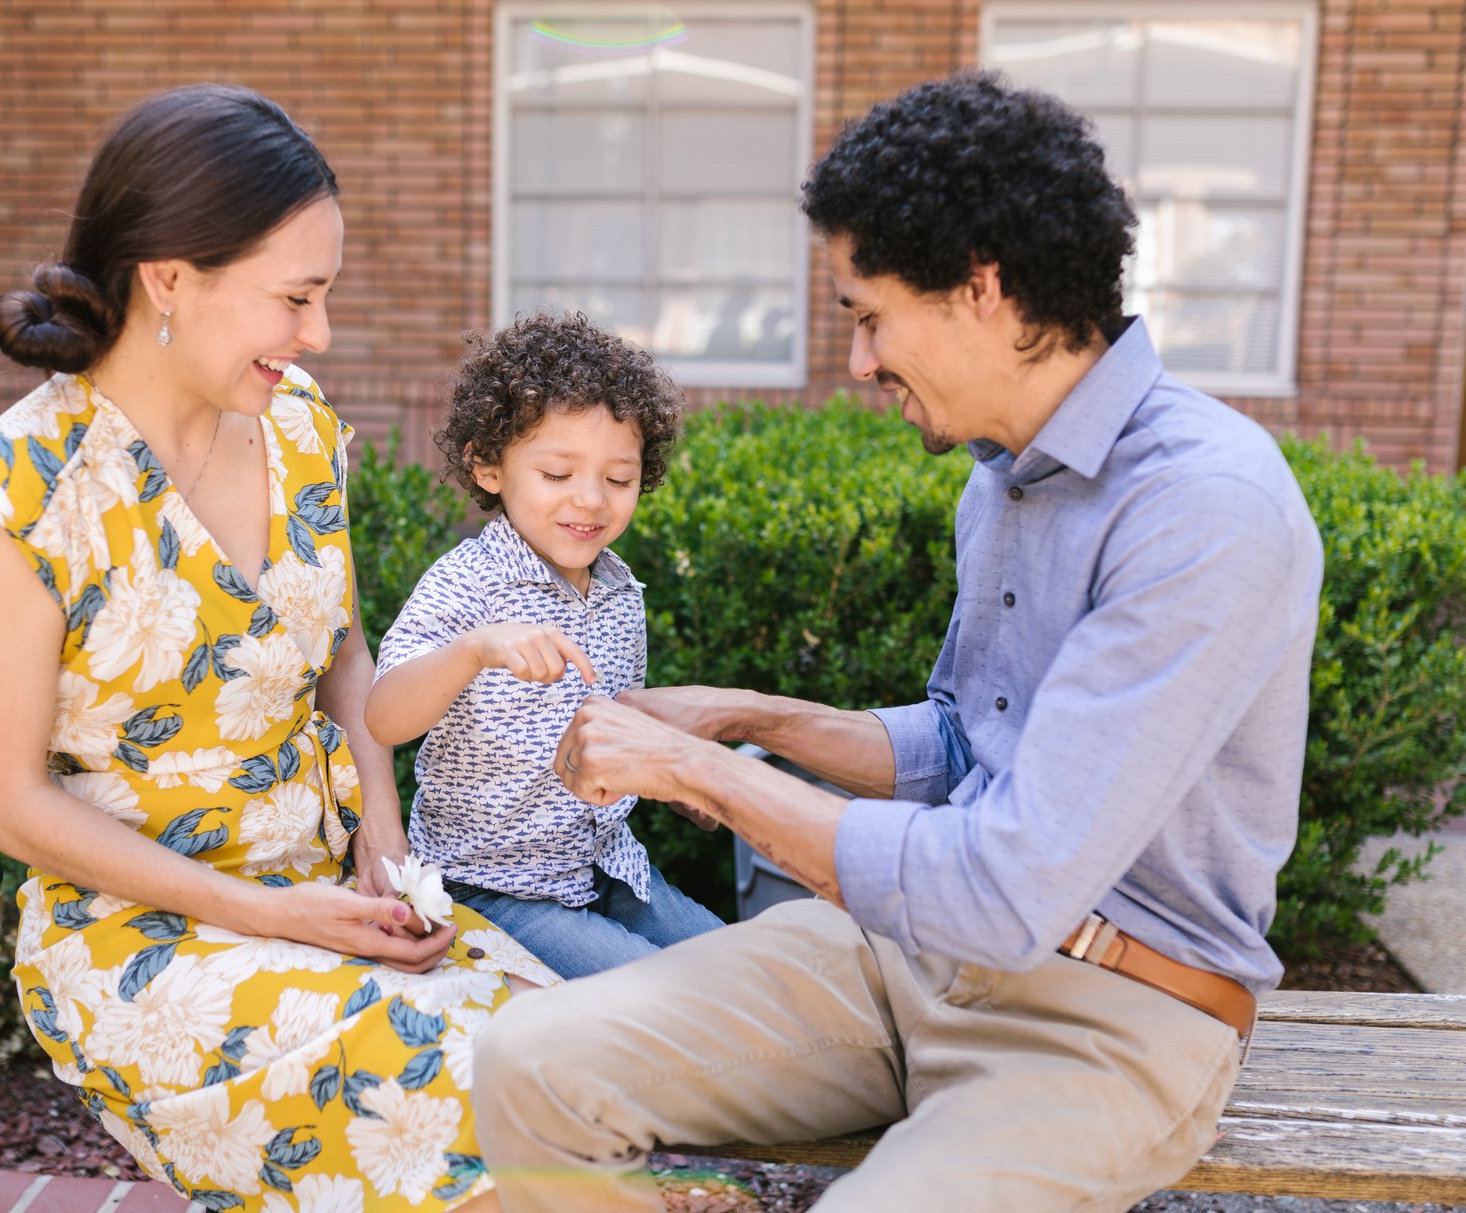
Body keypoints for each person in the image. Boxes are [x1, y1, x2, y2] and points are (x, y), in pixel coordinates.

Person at [472, 70, 1325, 1213]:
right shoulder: (999, 478)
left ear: (979, 291)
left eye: (867, 315)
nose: (859, 361)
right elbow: (970, 747)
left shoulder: (1204, 510)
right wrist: (746, 717)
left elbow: (1007, 885)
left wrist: (699, 772)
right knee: (530, 1064)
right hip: (900, 956)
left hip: (1110, 1018)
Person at [0, 84, 553, 1213]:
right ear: (171, 277)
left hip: (328, 889)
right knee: (464, 1101)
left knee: (568, 1058)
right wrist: (276, 917)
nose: (317, 333)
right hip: (139, 941)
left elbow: (340, 646)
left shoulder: (299, 423)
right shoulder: (17, 494)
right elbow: (5, 802)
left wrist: (379, 822)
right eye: (295, 297)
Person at [363, 313, 723, 978]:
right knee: (666, 996)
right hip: (495, 889)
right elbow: (383, 715)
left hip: (607, 867)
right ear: (488, 464)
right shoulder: (469, 582)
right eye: (558, 472)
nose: (590, 498)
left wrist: (677, 782)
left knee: (752, 967)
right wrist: (472, 650)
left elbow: (618, 738)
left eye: (619, 479)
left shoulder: (620, 592)